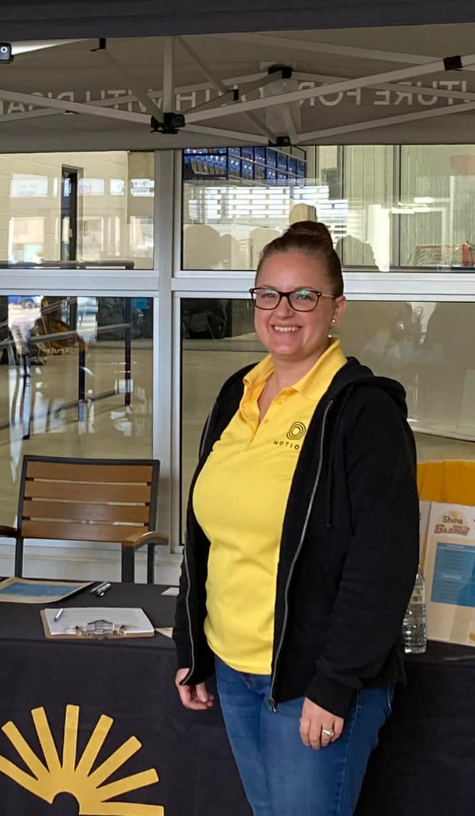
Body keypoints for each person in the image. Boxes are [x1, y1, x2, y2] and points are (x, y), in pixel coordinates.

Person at [173, 221, 419, 816]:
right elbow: (206, 534)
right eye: (268, 294)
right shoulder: (237, 392)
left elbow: (382, 565)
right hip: (232, 668)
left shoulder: (364, 412)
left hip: (313, 681)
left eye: (304, 295)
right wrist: (191, 644)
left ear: (336, 308)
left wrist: (334, 684)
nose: (283, 310)